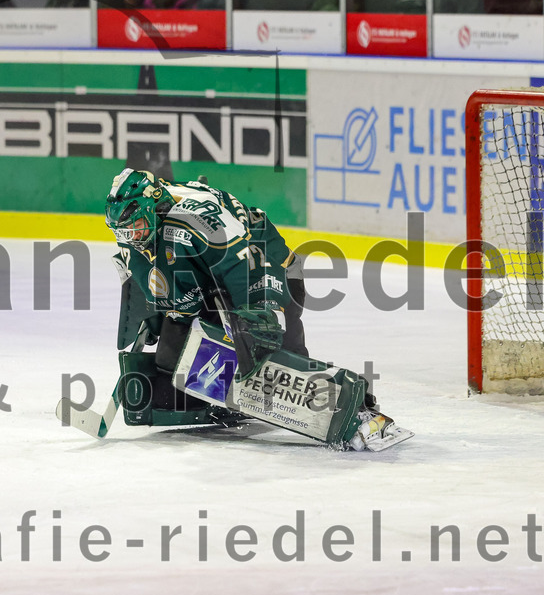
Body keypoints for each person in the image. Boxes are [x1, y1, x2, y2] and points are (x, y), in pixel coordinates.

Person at [102, 169, 405, 451]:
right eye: (123, 230)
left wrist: (257, 314)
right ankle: (224, 401)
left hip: (268, 267)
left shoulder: (197, 217)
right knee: (172, 355)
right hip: (211, 278)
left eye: (135, 227)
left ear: (153, 208)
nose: (130, 236)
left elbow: (245, 264)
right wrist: (158, 310)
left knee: (272, 355)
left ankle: (360, 412)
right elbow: (146, 277)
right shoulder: (142, 233)